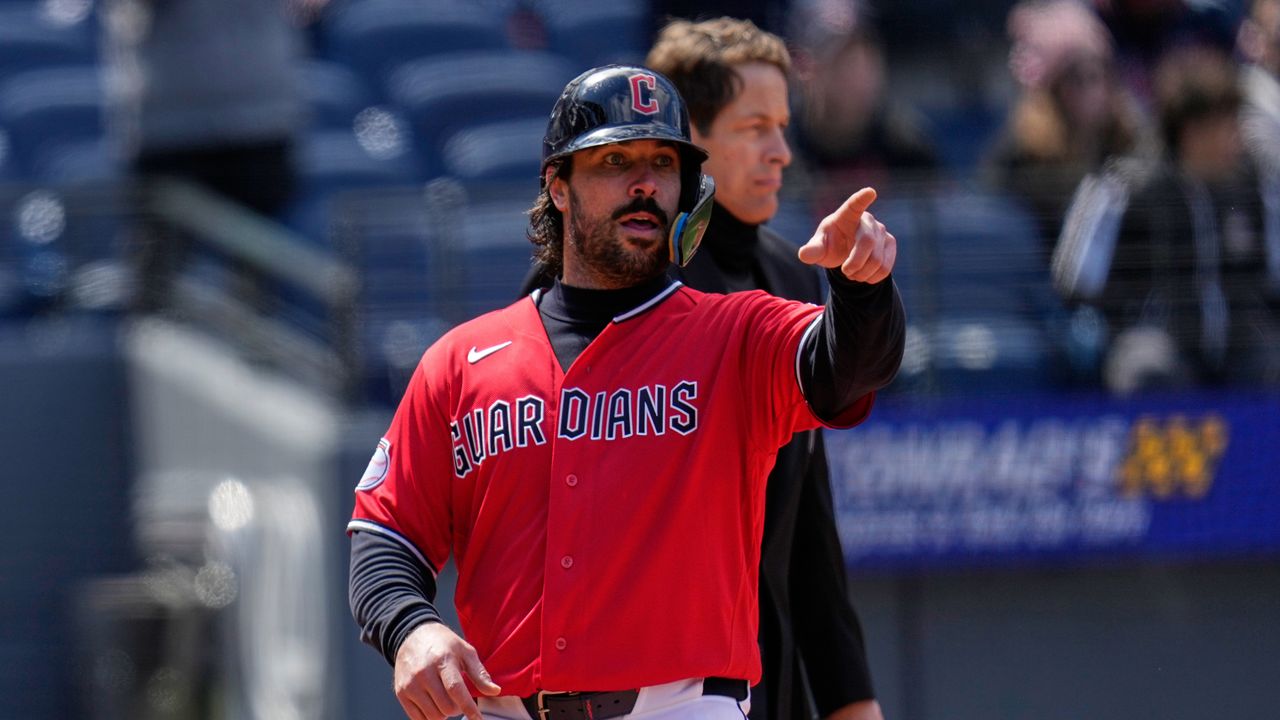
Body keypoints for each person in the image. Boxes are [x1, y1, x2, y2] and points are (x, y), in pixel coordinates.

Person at [348, 65, 905, 720]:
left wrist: (862, 289)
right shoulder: (460, 362)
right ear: (559, 186)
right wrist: (411, 627)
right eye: (616, 161)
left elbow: (847, 367)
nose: (645, 184)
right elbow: (385, 530)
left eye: (663, 164)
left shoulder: (738, 334)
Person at [522, 18, 885, 720]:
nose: (780, 151)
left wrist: (851, 697)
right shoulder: (608, 272)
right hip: (639, 684)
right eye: (754, 127)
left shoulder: (793, 273)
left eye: (783, 126)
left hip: (766, 674)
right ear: (689, 146)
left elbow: (807, 519)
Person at [1053, 45, 1280, 391]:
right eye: (1226, 125)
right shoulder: (1123, 188)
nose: (1237, 138)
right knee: (1148, 371)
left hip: (1245, 346)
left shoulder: (1255, 188)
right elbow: (1077, 279)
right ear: (1191, 131)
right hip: (1158, 346)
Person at [983, 0, 1153, 257]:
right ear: (1053, 89)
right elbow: (990, 200)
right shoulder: (1022, 148)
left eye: (1098, 74)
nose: (1092, 90)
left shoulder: (1131, 138)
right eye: (1076, 77)